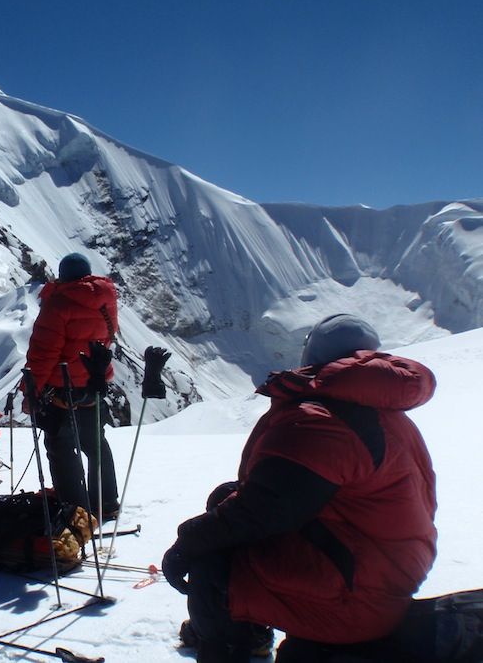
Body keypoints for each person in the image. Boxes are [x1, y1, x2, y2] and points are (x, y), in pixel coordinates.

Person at [161, 314, 438, 663]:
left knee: (213, 565)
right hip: (384, 567)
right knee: (225, 500)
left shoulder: (319, 420)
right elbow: (280, 496)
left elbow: (264, 511)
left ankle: (227, 645)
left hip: (357, 599)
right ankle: (249, 627)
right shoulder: (379, 410)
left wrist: (186, 544)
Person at [22, 252, 120, 520]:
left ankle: (76, 512)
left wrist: (30, 391)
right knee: (95, 444)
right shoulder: (106, 301)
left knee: (61, 447)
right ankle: (106, 503)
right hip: (94, 384)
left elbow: (43, 353)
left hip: (61, 389)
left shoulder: (58, 304)